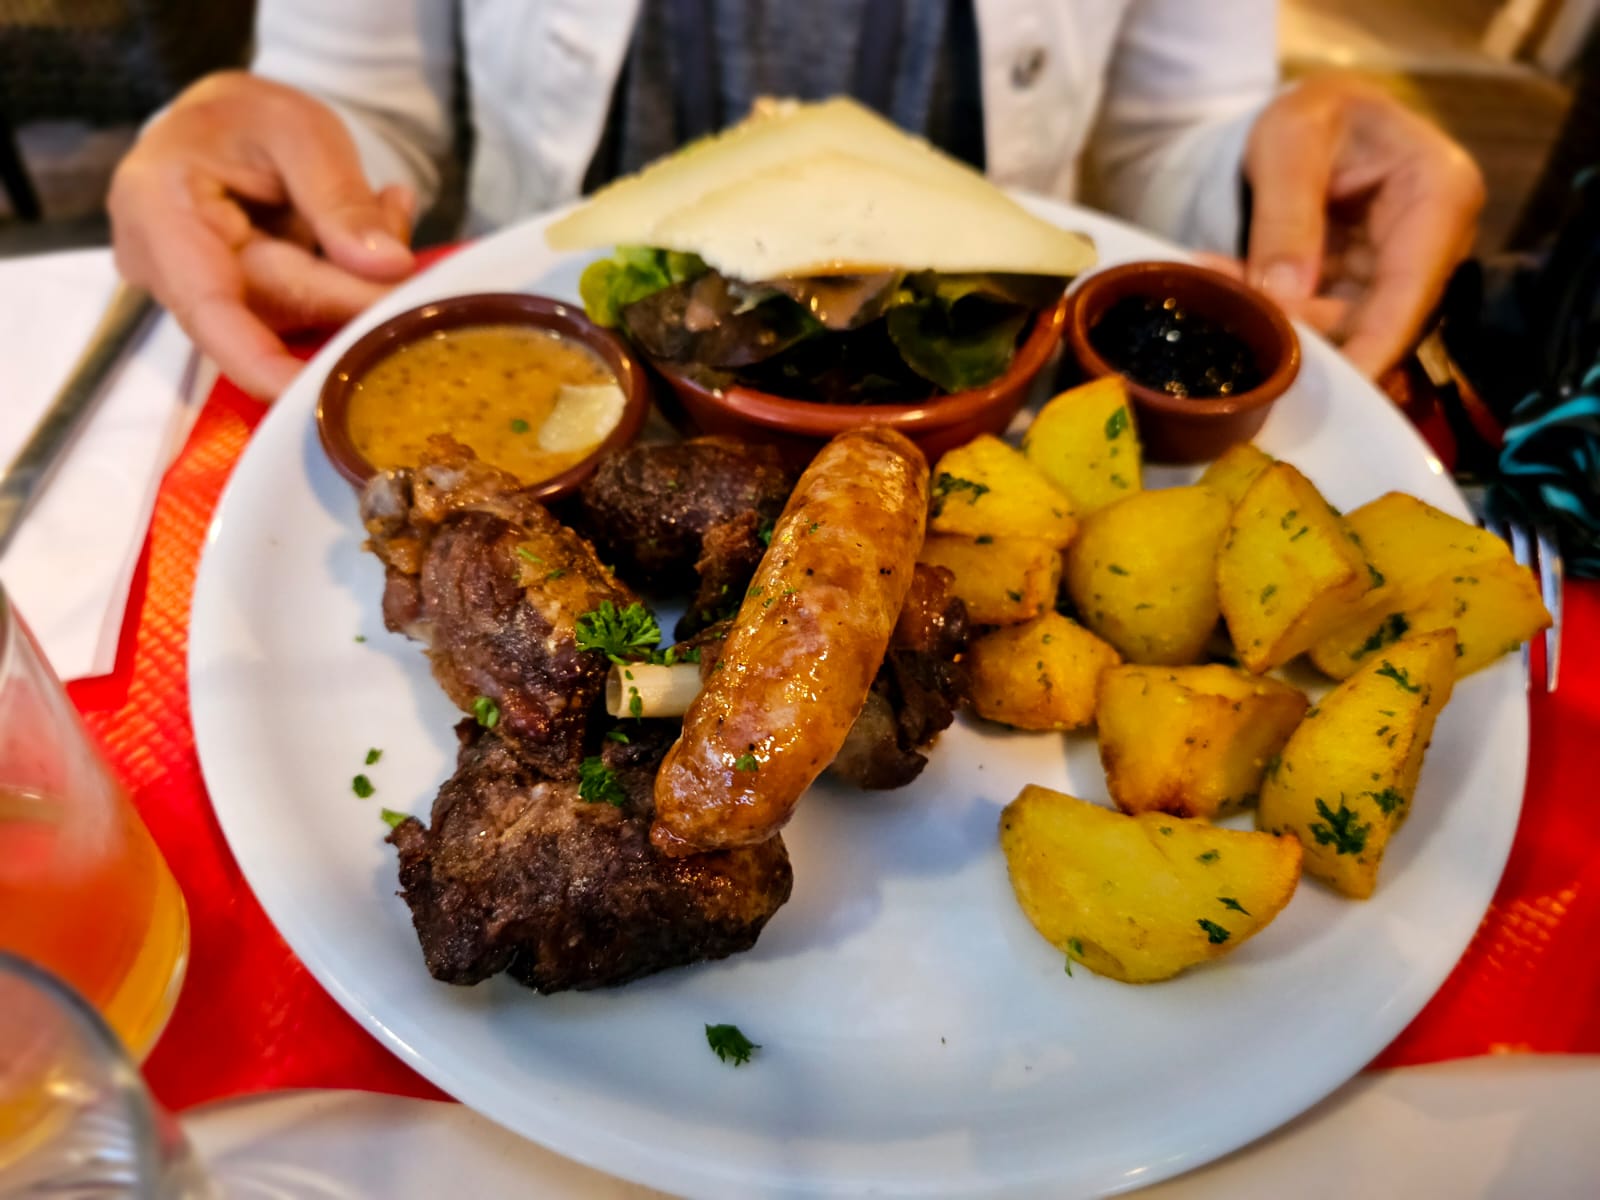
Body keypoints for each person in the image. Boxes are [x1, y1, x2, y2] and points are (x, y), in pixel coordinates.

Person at [107, 0, 1485, 401]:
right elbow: (361, 104)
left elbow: (1159, 148)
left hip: (991, 377)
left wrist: (1268, 172)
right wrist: (267, 149)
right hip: (573, 363)